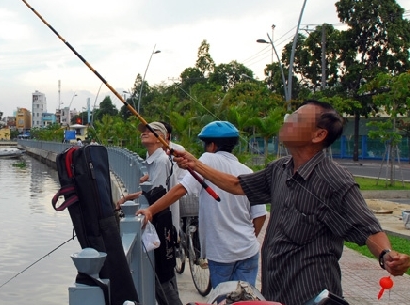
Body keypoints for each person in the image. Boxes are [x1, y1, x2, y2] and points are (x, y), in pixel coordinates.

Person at [171, 100, 410, 305]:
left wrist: (386, 255)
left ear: (318, 135)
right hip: (277, 292)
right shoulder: (280, 169)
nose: (287, 122)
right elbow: (237, 185)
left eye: (296, 119)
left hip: (312, 295)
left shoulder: (334, 180)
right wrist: (196, 164)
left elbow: (368, 229)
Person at [138, 121, 266, 289]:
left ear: (211, 145)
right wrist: (245, 241)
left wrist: (151, 210)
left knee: (223, 298)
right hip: (249, 250)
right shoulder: (247, 170)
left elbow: (179, 190)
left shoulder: (207, 161)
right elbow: (260, 216)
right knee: (246, 299)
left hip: (221, 253)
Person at [137, 121, 182, 305]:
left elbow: (160, 194)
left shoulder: (162, 161)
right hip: (160, 221)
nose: (144, 133)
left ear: (161, 138)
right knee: (165, 274)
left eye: (150, 131)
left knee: (160, 277)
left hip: (162, 223)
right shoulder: (154, 160)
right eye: (144, 131)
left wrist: (146, 208)